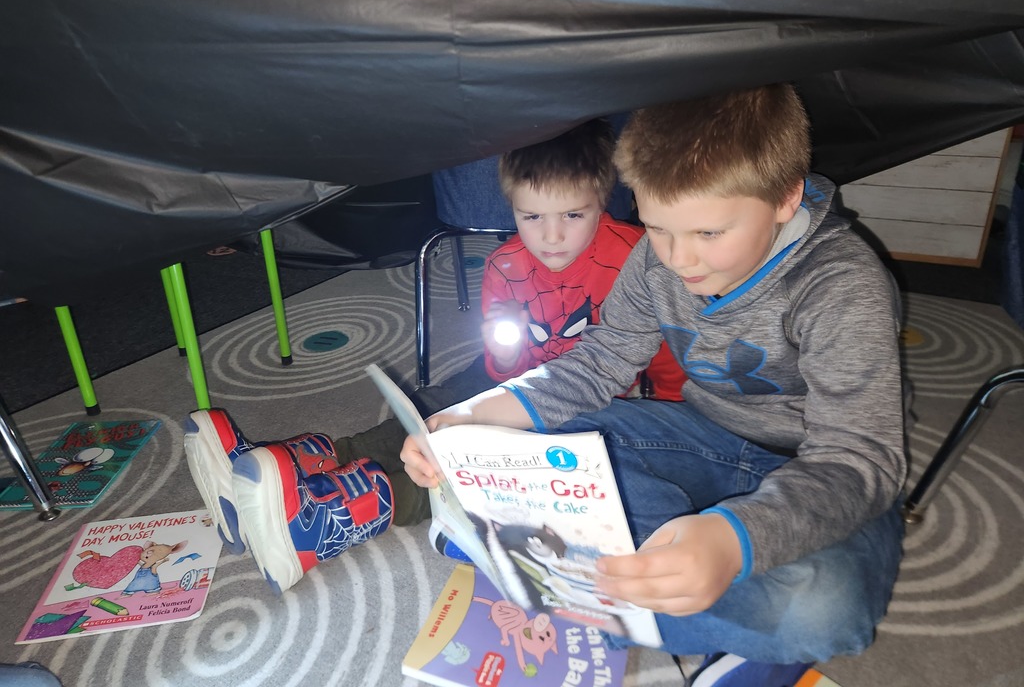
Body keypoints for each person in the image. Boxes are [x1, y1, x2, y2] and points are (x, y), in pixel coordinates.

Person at [402, 84, 907, 687]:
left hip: (818, 470)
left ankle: (547, 566)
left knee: (830, 610)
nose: (679, 259)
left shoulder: (844, 285)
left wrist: (734, 542)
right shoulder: (654, 259)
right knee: (523, 438)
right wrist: (474, 417)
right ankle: (664, 593)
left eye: (709, 235)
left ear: (784, 198)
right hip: (702, 435)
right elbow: (599, 362)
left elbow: (859, 461)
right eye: (657, 228)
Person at [183, 118, 685, 594]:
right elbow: (498, 367)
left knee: (482, 464)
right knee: (437, 407)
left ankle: (338, 513)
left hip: (600, 404)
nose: (551, 236)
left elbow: (664, 352)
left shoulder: (639, 257)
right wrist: (471, 405)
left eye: (572, 215)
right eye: (531, 217)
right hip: (515, 382)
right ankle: (300, 465)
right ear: (510, 207)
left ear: (602, 200)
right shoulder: (505, 264)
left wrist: (664, 410)